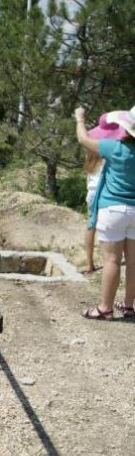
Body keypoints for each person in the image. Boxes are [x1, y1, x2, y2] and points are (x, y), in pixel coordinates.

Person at [75, 106, 135, 320]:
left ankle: (105, 308)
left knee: (112, 260)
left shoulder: (113, 147)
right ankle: (128, 306)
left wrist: (80, 119)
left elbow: (83, 139)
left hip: (113, 210)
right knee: (133, 262)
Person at [83, 149, 103, 274]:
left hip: (91, 192)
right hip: (105, 191)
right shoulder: (108, 150)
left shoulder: (90, 152)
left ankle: (89, 264)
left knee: (91, 227)